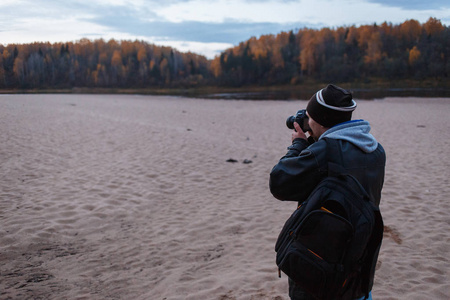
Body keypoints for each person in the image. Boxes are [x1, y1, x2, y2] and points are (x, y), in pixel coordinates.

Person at [269, 84, 386, 300]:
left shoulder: (323, 153)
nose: (307, 123)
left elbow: (279, 182)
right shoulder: (376, 150)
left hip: (320, 262)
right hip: (360, 259)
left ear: (321, 121)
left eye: (310, 118)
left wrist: (298, 146)